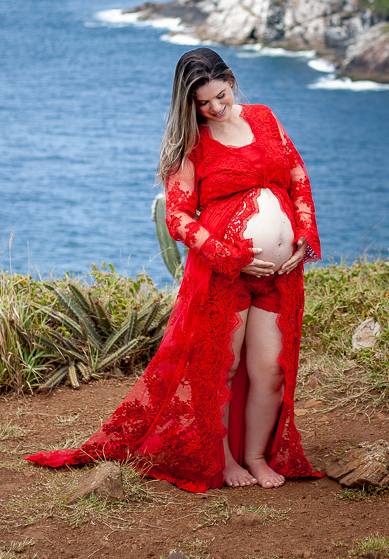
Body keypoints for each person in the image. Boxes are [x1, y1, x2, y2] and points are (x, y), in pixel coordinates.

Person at [26, 47, 322, 492]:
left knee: (271, 371)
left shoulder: (263, 117)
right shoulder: (191, 143)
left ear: (231, 80)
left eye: (220, 95)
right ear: (188, 104)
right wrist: (230, 257)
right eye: (202, 103)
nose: (215, 108)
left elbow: (296, 174)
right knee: (219, 367)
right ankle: (222, 462)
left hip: (280, 274)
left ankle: (258, 456)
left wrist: (303, 233)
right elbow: (179, 217)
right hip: (225, 273)